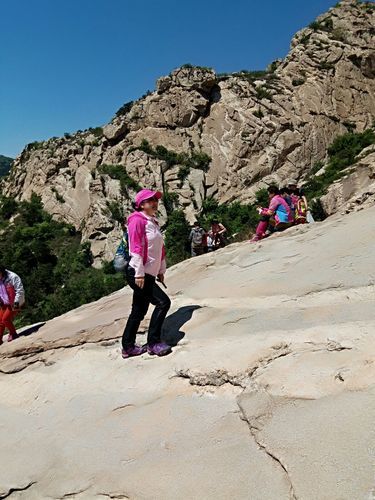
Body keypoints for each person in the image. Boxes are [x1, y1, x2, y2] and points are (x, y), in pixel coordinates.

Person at [121, 189, 172, 359]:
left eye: (155, 200)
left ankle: (128, 347)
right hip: (138, 273)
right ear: (141, 204)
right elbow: (135, 247)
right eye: (150, 200)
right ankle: (154, 343)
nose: (154, 203)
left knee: (138, 310)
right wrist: (139, 273)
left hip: (147, 273)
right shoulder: (136, 221)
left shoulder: (152, 222)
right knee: (163, 303)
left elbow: (159, 249)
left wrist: (160, 270)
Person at [0, 266, 25, 345]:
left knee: (5, 319)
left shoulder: (13, 277)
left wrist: (16, 306)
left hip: (15, 302)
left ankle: (13, 334)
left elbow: (20, 291)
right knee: (0, 320)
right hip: (5, 302)